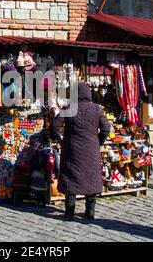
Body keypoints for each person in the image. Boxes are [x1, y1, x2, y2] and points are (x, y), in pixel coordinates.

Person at [50, 82, 110, 221]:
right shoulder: (97, 109)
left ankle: (69, 213)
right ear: (88, 94)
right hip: (91, 149)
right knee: (91, 177)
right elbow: (106, 129)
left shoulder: (69, 108)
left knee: (71, 178)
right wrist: (98, 142)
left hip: (72, 149)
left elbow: (54, 126)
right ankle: (90, 212)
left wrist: (59, 139)